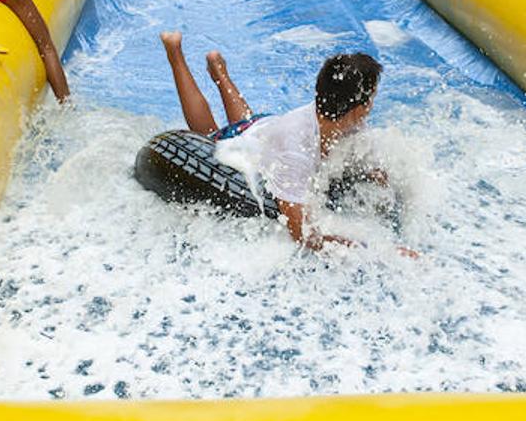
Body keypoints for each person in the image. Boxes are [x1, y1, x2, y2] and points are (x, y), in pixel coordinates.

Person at [159, 31, 412, 254]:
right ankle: (175, 53)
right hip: (242, 145)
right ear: (358, 107)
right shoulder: (296, 153)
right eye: (372, 98)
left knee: (250, 124)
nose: (372, 105)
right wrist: (376, 251)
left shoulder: (343, 118)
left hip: (265, 129)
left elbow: (368, 166)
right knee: (211, 132)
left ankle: (220, 74)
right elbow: (303, 236)